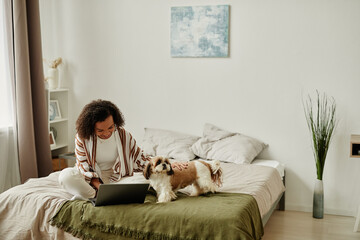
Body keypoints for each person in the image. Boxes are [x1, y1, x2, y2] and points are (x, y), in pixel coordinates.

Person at [59, 99, 186, 200]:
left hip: (117, 176)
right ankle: (96, 196)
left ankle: (102, 196)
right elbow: (83, 166)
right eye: (100, 130)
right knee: (66, 177)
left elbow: (140, 158)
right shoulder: (82, 138)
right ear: (91, 127)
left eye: (110, 127)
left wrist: (171, 165)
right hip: (91, 179)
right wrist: (100, 188)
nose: (107, 133)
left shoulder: (123, 135)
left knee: (143, 182)